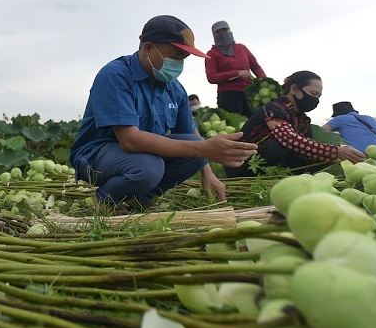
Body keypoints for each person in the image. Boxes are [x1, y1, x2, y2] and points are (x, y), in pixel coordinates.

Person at [69, 15, 257, 211]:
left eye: (183, 59)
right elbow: (130, 140)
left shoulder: (174, 88)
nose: (179, 65)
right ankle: (105, 200)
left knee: (195, 147)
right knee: (149, 167)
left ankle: (139, 198)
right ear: (149, 48)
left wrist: (207, 172)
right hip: (96, 156)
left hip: (141, 156)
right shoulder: (116, 75)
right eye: (176, 56)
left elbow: (192, 135)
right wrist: (204, 150)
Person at [225, 71, 366, 177]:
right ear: (294, 89)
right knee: (276, 147)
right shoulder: (275, 108)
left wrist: (332, 156)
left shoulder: (303, 120)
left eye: (318, 96)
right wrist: (335, 151)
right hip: (241, 164)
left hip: (273, 161)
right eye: (313, 93)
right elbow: (289, 139)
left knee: (317, 157)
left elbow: (306, 146)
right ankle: (254, 180)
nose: (315, 99)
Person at [204, 21, 266, 116]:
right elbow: (211, 77)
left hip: (250, 94)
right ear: (213, 35)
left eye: (226, 30)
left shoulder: (242, 48)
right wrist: (236, 73)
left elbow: (255, 67)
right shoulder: (211, 54)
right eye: (218, 32)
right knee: (235, 125)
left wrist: (263, 80)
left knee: (253, 124)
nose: (223, 34)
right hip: (228, 96)